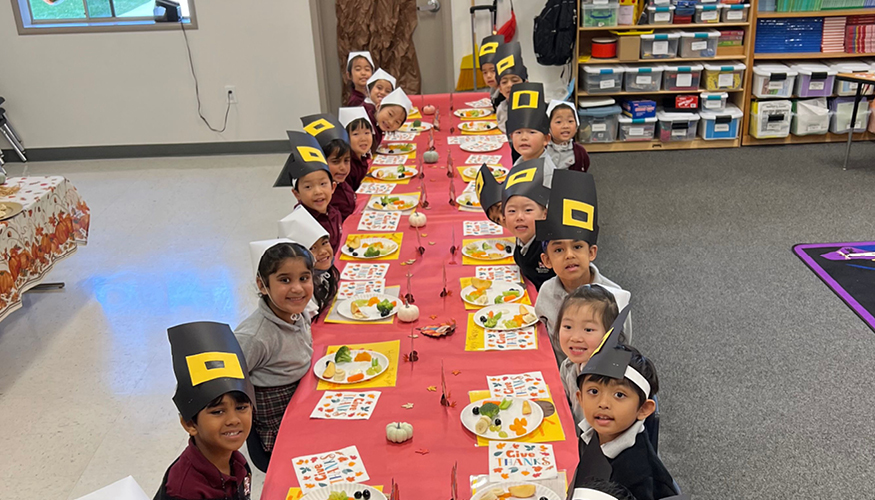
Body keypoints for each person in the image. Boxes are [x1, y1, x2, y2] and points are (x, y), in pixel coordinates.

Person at [572, 306, 679, 500]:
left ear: (644, 409)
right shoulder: (593, 431)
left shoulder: (638, 475)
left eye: (619, 395)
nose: (603, 403)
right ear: (579, 398)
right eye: (593, 391)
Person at [533, 169, 631, 364]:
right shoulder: (546, 292)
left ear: (592, 252)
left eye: (577, 246)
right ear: (547, 261)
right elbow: (543, 340)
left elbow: (623, 346)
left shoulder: (614, 296)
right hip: (559, 373)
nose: (569, 254)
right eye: (559, 250)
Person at [234, 239, 315, 465]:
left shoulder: (299, 312)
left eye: (304, 278)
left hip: (304, 404)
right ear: (262, 285)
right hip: (278, 432)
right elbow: (220, 384)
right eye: (284, 280)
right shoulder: (254, 337)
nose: (297, 288)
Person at [158, 321, 256, 500]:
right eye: (218, 411)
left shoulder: (238, 462)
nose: (233, 419)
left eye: (241, 407)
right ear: (190, 423)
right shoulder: (184, 490)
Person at [553, 284, 620, 424]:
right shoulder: (568, 365)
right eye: (568, 327)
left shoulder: (613, 380)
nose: (575, 337)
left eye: (588, 329)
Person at [274, 132, 342, 253]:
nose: (317, 191)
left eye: (322, 184)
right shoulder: (298, 226)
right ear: (296, 194)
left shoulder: (334, 213)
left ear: (333, 187)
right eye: (308, 187)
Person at [501, 157, 555, 290]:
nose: (519, 217)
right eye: (512, 211)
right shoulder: (522, 239)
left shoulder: (551, 247)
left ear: (545, 214)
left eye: (528, 210)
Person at [278, 206, 339, 322]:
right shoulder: (299, 294)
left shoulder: (325, 275)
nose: (322, 251)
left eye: (325, 243)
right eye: (312, 248)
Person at [301, 113, 356, 221]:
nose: (343, 167)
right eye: (336, 162)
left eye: (346, 161)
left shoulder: (341, 183)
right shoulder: (322, 197)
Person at [507, 82, 556, 168]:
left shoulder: (546, 171)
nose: (524, 137)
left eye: (532, 132)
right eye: (518, 132)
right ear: (511, 137)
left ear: (546, 139)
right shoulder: (520, 161)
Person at [492, 41, 528, 136]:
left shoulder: (532, 109)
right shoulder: (501, 108)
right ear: (500, 89)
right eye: (504, 82)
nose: (509, 85)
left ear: (526, 84)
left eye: (515, 80)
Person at [546, 100, 590, 172]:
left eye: (570, 121)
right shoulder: (541, 149)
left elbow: (583, 169)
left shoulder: (580, 152)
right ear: (549, 126)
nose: (565, 126)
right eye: (558, 122)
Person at [365, 87, 412, 152]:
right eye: (390, 114)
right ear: (379, 106)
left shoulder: (378, 128)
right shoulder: (365, 123)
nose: (391, 122)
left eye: (397, 122)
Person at [339, 106, 374, 191]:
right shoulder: (348, 165)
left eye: (366, 133)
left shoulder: (362, 158)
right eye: (356, 134)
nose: (363, 138)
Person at [477, 34, 505, 110]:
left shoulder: (505, 94)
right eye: (485, 72)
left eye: (493, 71)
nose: (489, 76)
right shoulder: (494, 90)